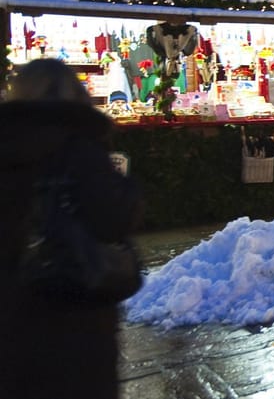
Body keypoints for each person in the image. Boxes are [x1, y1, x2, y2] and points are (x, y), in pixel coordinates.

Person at [0, 59, 144, 399]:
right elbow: (114, 216)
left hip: (11, 310)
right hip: (73, 302)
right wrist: (128, 188)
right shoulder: (79, 149)